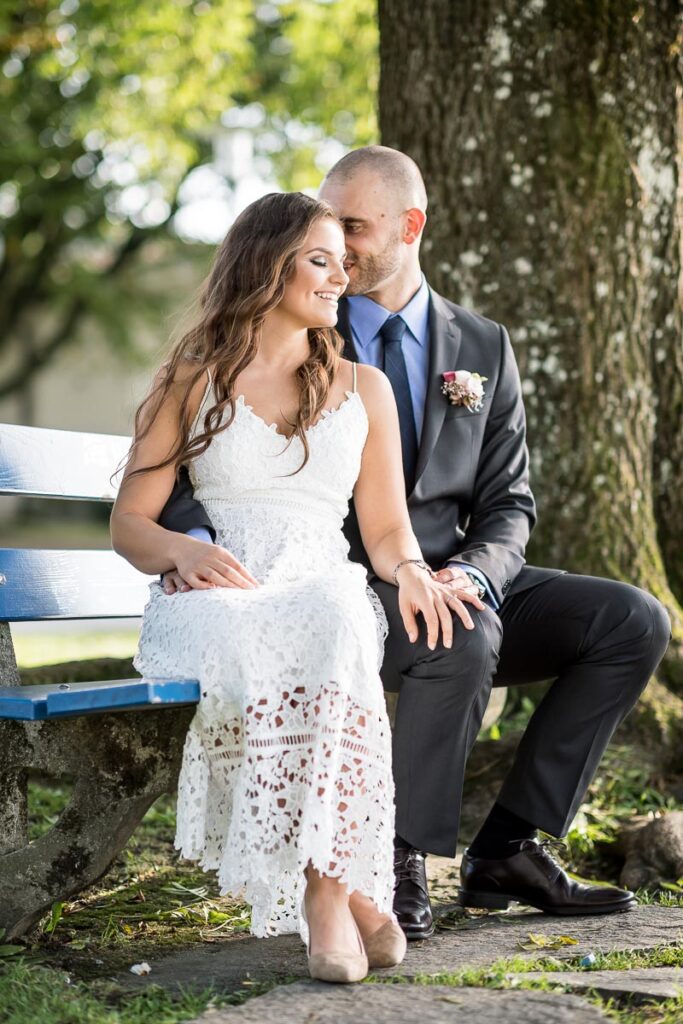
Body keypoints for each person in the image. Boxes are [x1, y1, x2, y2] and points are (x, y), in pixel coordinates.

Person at [158, 148, 672, 941]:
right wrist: (199, 550)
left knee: (631, 619)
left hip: (442, 569)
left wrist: (468, 571)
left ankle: (507, 847)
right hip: (329, 583)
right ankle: (394, 860)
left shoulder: (481, 346)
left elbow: (508, 503)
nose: (338, 248)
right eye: (328, 231)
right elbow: (211, 468)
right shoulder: (303, 327)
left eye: (354, 228)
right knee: (460, 636)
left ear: (410, 226)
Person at [111, 191, 482, 981]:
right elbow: (130, 526)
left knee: (333, 613)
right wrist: (182, 550)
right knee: (309, 629)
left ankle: (327, 893)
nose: (340, 276)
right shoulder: (191, 380)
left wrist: (414, 571)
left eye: (343, 262)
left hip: (322, 586)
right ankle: (348, 904)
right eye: (320, 259)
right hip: (217, 601)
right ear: (264, 265)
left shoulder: (363, 388)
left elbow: (384, 534)